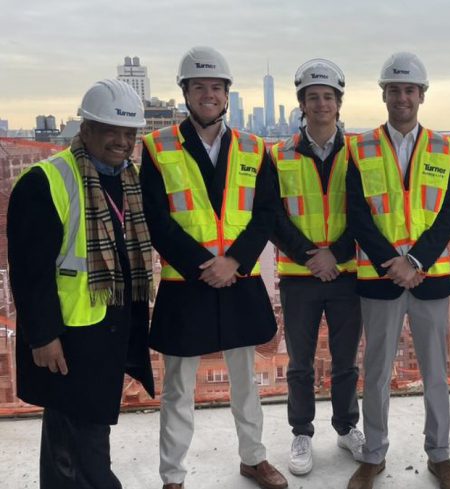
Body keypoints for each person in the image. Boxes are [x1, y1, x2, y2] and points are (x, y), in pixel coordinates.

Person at [139, 46, 287, 489]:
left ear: (227, 95)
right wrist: (207, 265)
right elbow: (156, 219)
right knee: (179, 387)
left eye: (216, 87)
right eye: (199, 86)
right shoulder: (157, 147)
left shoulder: (254, 148)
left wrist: (234, 262)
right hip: (187, 281)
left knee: (246, 379)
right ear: (185, 92)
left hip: (239, 278)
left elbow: (265, 213)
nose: (209, 94)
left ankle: (253, 458)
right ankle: (173, 476)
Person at [8, 79, 155, 488]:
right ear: (85, 128)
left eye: (129, 134)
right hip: (68, 336)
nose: (122, 142)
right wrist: (43, 337)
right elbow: (28, 271)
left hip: (108, 328)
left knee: (83, 429)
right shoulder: (47, 181)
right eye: (112, 131)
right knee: (75, 434)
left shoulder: (129, 179)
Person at [344, 52, 450, 489]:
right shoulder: (359, 148)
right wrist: (390, 263)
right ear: (384, 94)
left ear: (422, 95)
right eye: (394, 90)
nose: (401, 97)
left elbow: (449, 213)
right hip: (380, 280)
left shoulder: (443, 148)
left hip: (429, 279)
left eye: (409, 90)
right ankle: (373, 454)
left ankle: (440, 455)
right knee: (375, 373)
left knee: (436, 373)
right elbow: (356, 215)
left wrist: (415, 261)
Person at [270, 58, 365, 476]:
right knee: (300, 363)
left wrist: (336, 255)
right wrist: (313, 256)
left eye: (328, 97)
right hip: (299, 276)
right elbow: (274, 217)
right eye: (313, 98)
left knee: (346, 359)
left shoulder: (361, 153)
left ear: (339, 104)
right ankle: (302, 432)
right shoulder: (280, 155)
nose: (321, 104)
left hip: (346, 274)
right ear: (302, 105)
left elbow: (367, 214)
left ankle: (346, 427)